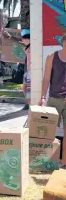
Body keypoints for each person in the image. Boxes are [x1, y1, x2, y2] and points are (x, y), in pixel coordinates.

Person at [39, 34, 66, 169]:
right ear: (63, 41)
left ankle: (64, 162)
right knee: (47, 130)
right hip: (54, 99)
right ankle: (43, 160)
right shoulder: (52, 57)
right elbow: (46, 79)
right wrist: (43, 97)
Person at [21, 29, 31, 110]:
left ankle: (29, 104)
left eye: (24, 39)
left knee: (28, 89)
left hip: (30, 71)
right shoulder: (27, 48)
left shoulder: (31, 47)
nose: (23, 41)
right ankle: (28, 104)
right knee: (24, 88)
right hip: (27, 70)